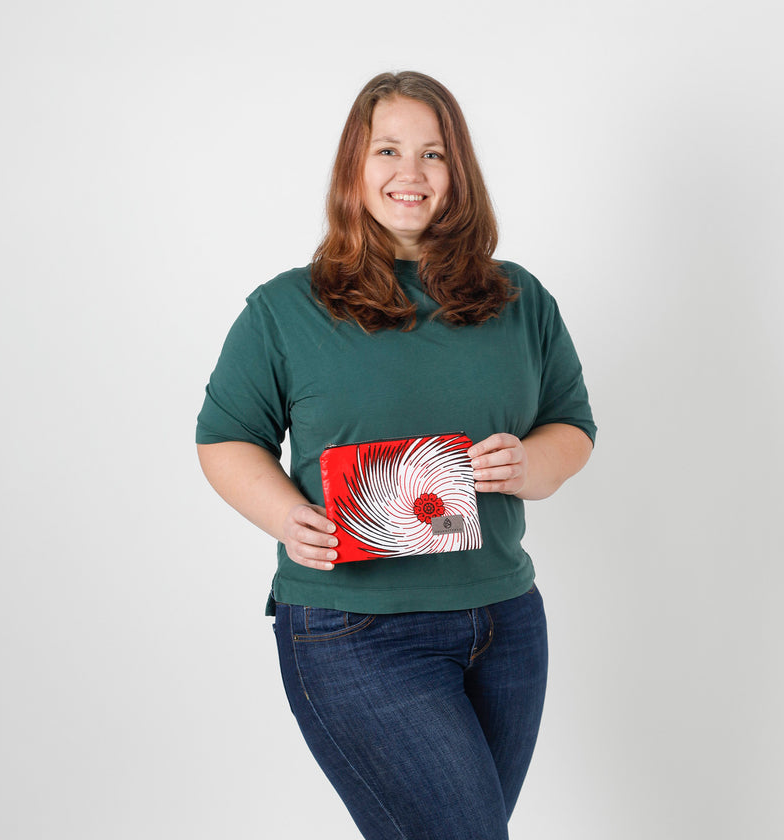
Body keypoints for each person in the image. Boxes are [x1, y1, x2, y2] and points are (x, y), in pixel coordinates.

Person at [196, 70, 596, 840]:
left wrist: (530, 466)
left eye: (433, 154)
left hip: (506, 627)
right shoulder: (285, 308)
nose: (409, 174)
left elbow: (570, 426)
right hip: (355, 631)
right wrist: (285, 514)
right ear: (355, 165)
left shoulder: (521, 300)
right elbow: (225, 438)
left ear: (460, 173)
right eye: (387, 150)